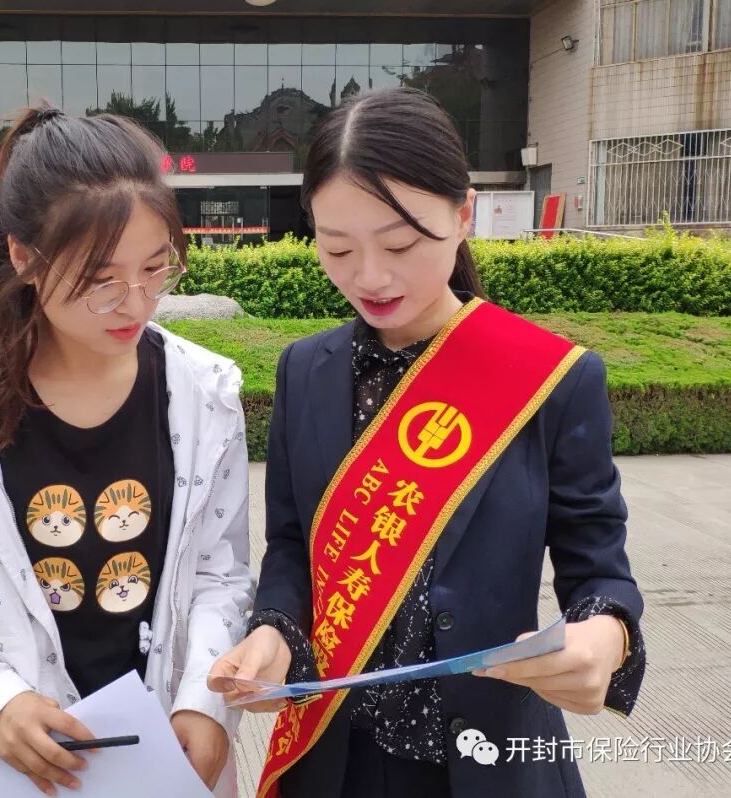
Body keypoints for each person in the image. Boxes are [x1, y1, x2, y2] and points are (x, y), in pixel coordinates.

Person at [209, 87, 646, 798]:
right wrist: (274, 630)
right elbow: (291, 545)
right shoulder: (305, 372)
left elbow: (599, 569)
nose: (370, 277)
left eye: (401, 244)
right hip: (336, 764)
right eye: (337, 247)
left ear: (463, 213)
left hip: (495, 760)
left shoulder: (549, 379)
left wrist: (605, 634)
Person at [0, 106, 253, 798]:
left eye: (155, 268)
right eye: (101, 280)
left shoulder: (205, 395)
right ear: (24, 257)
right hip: (15, 765)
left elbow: (218, 570)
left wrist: (204, 699)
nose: (135, 303)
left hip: (163, 751)